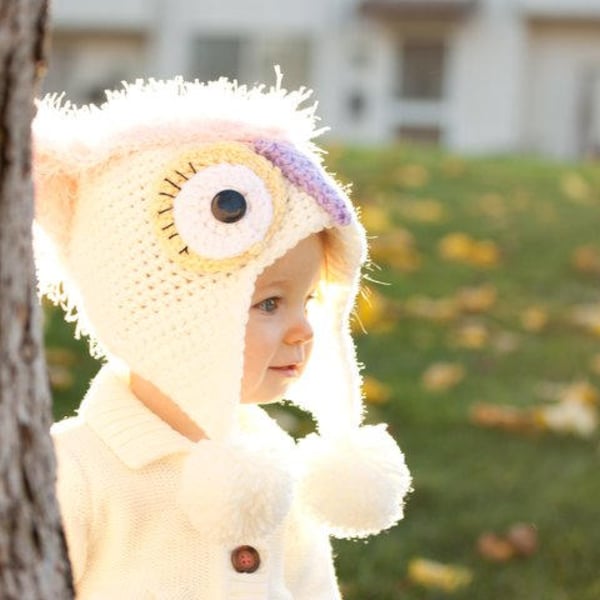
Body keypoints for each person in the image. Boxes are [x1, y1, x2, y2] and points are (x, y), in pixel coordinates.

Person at [33, 75, 412, 599]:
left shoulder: (271, 465)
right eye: (270, 304)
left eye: (308, 301)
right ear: (168, 319)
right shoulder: (75, 473)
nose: (303, 329)